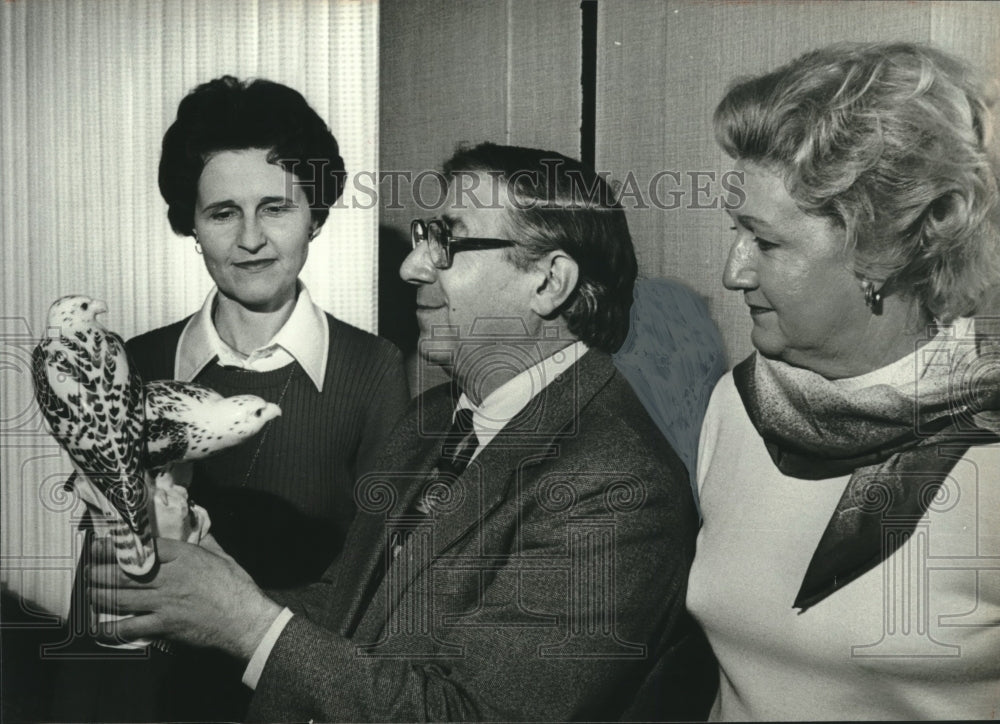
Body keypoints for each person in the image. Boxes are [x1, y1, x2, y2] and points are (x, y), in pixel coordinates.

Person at [88, 143, 717, 721]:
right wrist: (212, 576)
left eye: (448, 242)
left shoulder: (618, 487)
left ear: (549, 282)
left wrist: (246, 624)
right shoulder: (435, 418)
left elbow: (470, 715)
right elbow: (351, 612)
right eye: (423, 237)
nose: (413, 267)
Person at [54, 75, 410, 722]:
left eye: (276, 208)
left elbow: (377, 591)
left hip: (301, 701)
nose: (250, 239)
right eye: (222, 213)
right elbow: (100, 588)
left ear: (315, 216)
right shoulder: (138, 362)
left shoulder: (374, 370)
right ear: (190, 224)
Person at [687, 42, 1000, 719]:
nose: (734, 272)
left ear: (885, 251)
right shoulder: (736, 406)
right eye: (736, 233)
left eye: (767, 242)